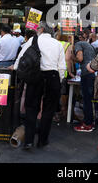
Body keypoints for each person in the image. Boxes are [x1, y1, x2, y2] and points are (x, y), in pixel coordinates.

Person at [14, 21, 66, 150]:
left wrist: (15, 68)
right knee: (48, 110)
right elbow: (62, 67)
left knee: (31, 108)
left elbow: (21, 58)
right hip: (52, 77)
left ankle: (29, 141)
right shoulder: (57, 44)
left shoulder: (33, 40)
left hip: (35, 76)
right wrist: (58, 80)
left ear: (41, 29)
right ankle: (43, 140)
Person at [73, 32, 97, 132]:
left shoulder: (78, 45)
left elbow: (80, 58)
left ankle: (88, 124)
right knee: (90, 99)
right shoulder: (89, 45)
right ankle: (91, 121)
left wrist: (72, 57)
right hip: (92, 73)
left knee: (87, 99)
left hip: (86, 74)